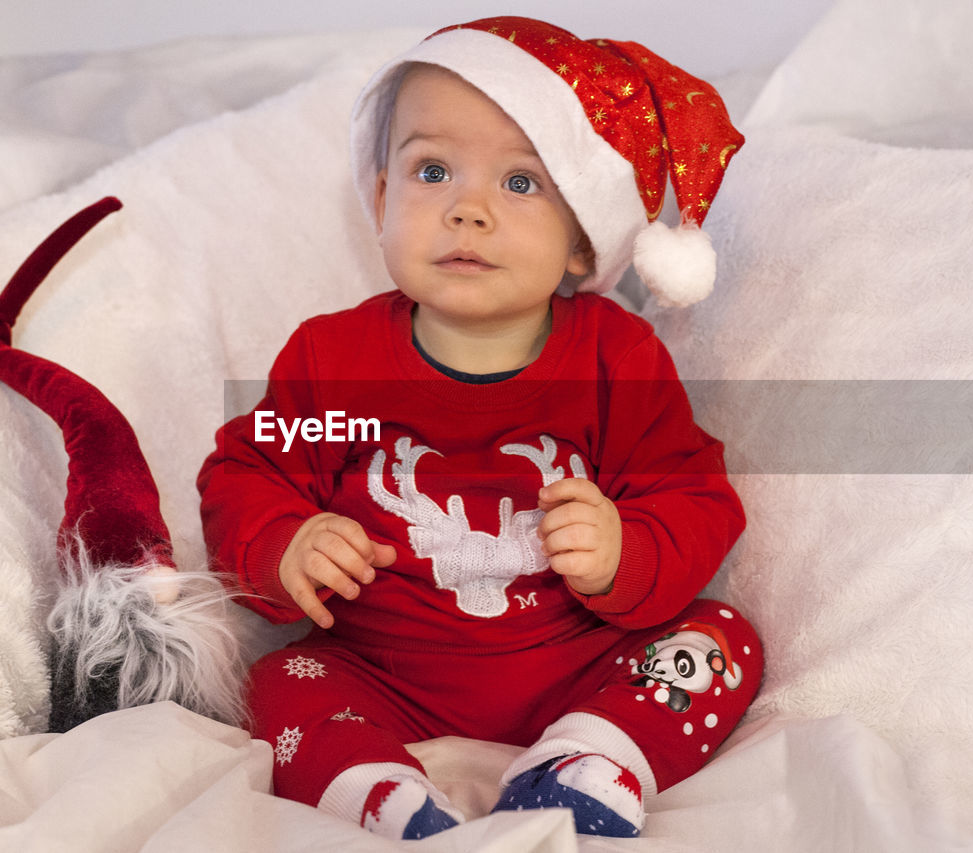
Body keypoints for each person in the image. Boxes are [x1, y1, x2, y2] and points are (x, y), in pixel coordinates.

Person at [198, 16, 763, 841]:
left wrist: (625, 549)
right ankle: (378, 789)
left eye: (521, 184)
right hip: (383, 675)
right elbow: (246, 472)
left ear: (581, 240)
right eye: (433, 171)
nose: (467, 210)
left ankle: (588, 758)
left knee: (722, 643)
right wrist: (285, 540)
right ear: (383, 198)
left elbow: (692, 493)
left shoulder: (616, 359)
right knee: (276, 678)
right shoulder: (334, 358)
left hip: (579, 667)